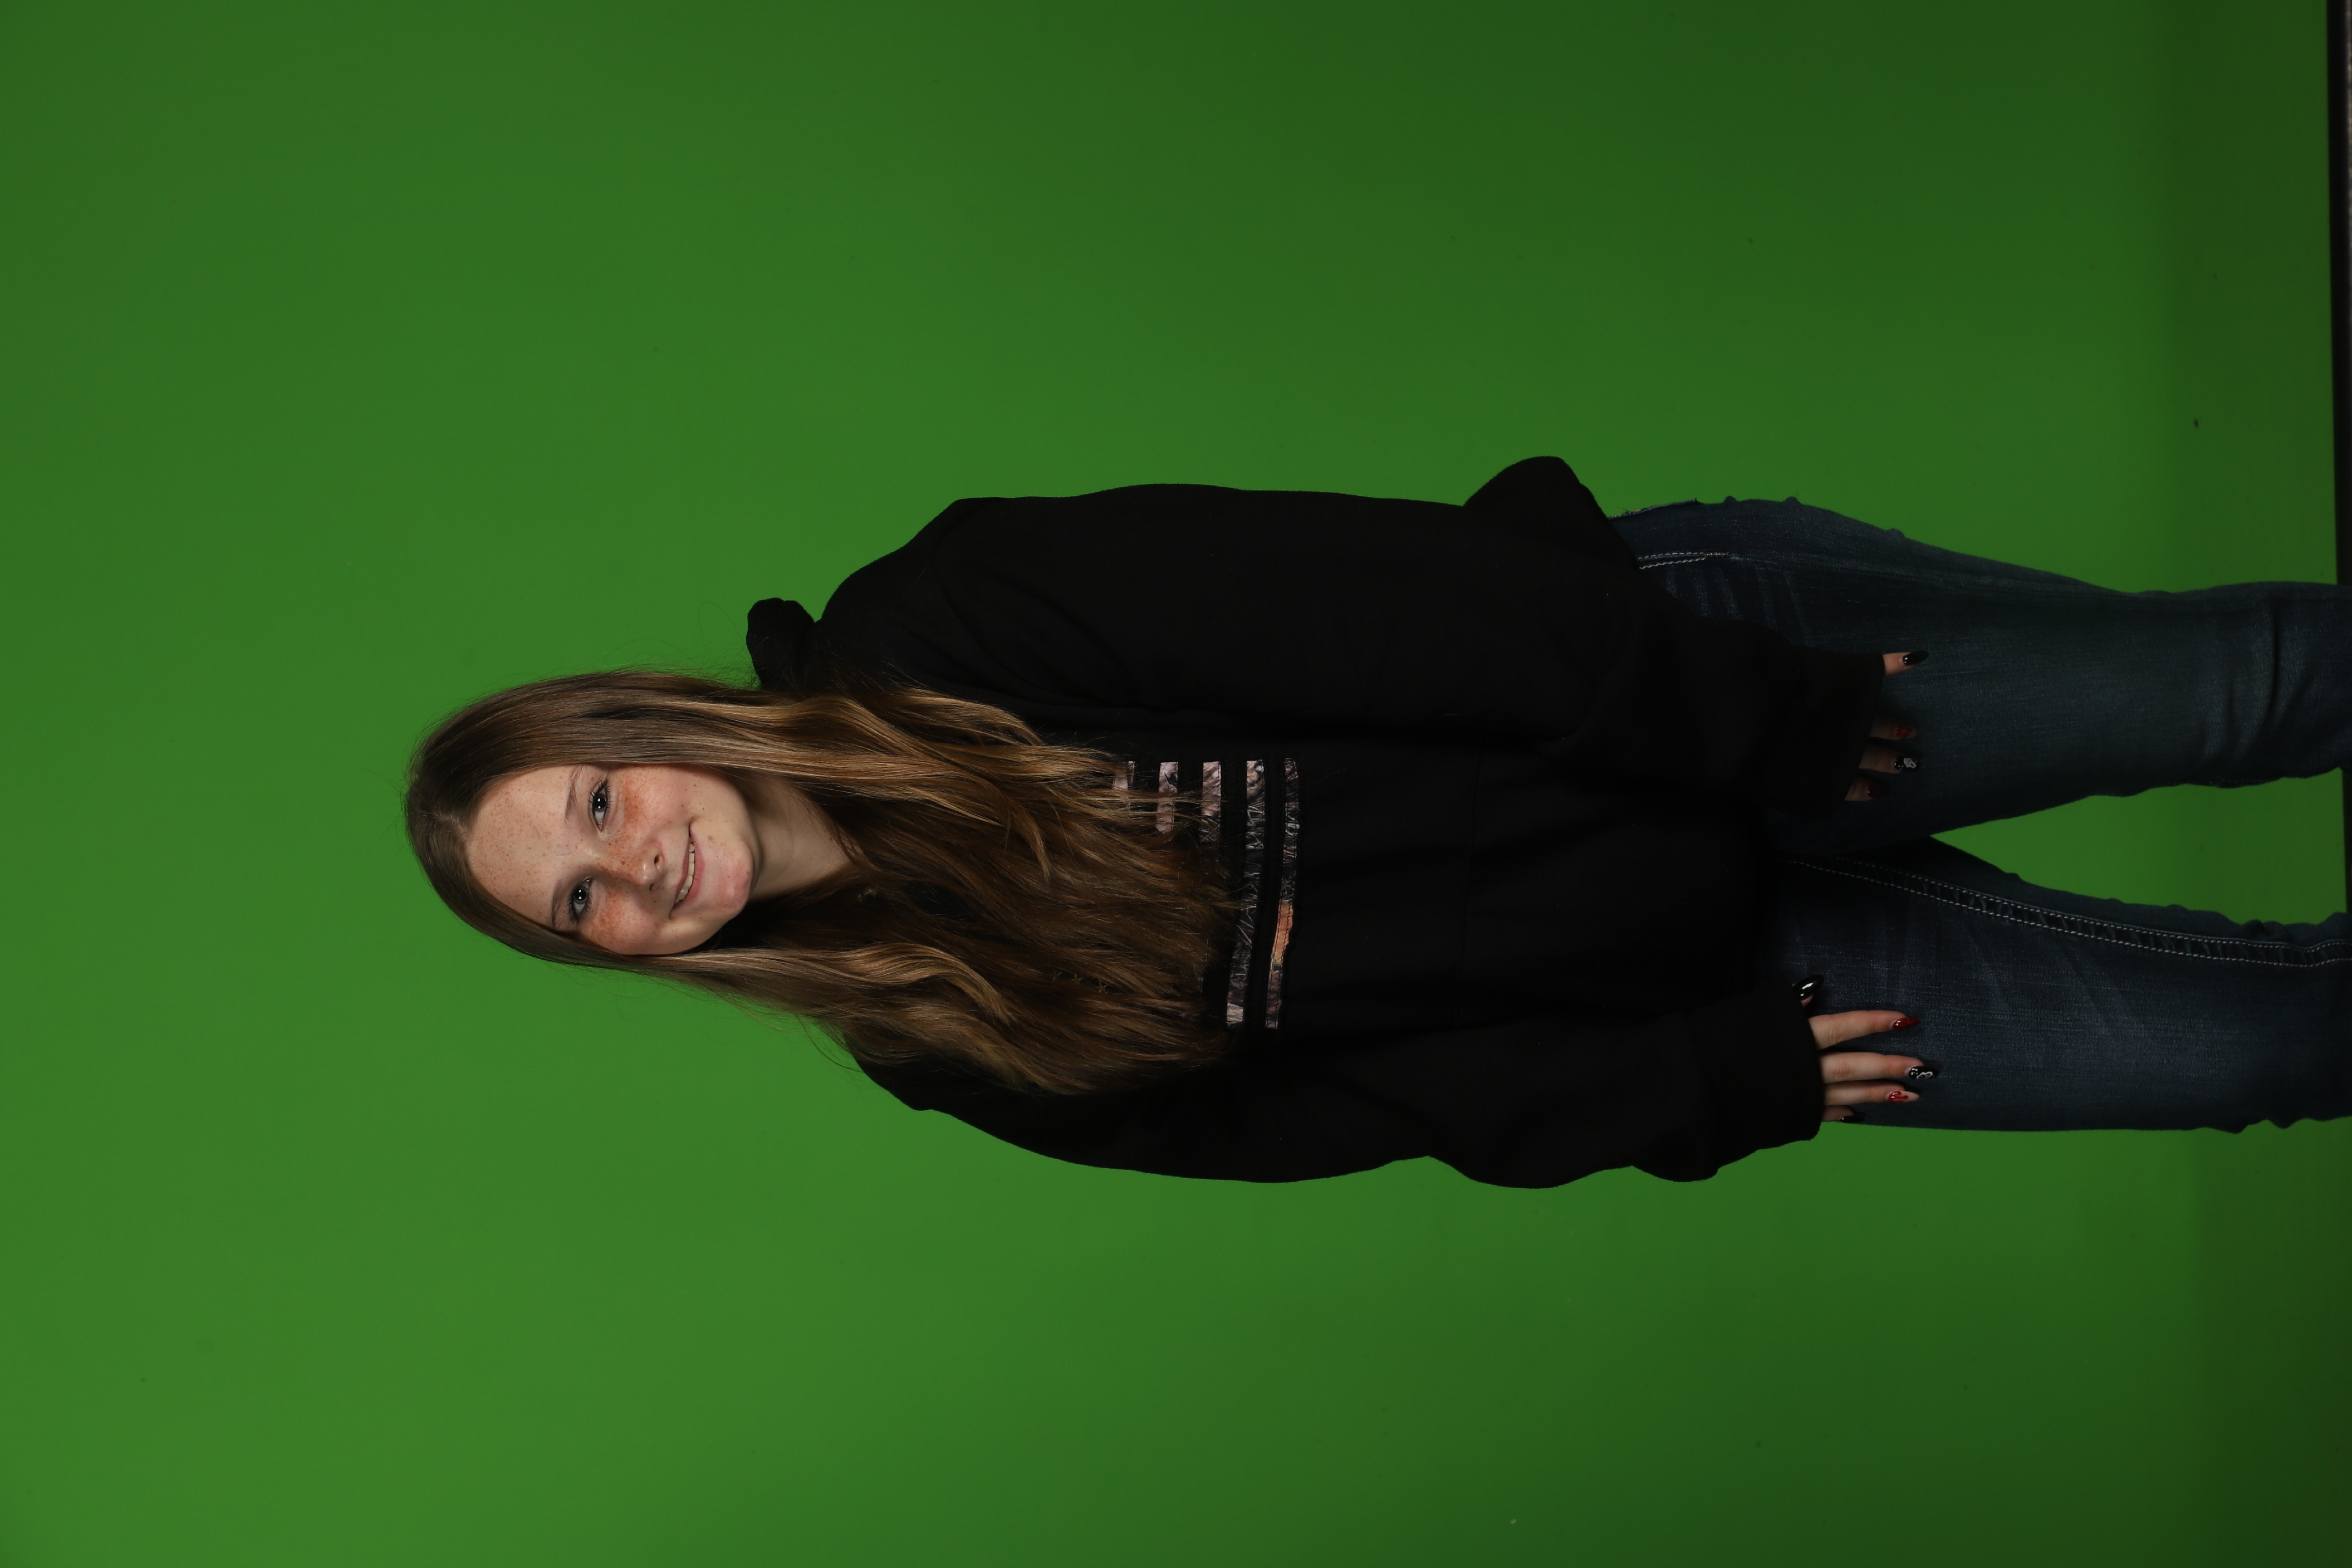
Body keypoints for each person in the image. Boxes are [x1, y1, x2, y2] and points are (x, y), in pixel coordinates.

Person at [405, 458, 2352, 1188]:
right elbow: (1353, 1110)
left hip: (1689, 680)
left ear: (641, 726)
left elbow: (1393, 606)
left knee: (2246, 692)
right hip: (1689, 969)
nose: (631, 864)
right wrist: (1699, 1082)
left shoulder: (941, 628)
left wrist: (1754, 712)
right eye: (580, 905)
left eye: (597, 802)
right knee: (2268, 1046)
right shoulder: (943, 1036)